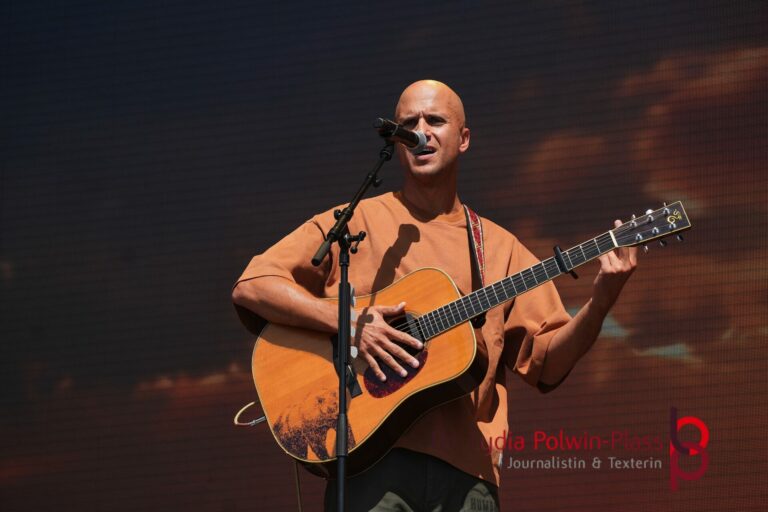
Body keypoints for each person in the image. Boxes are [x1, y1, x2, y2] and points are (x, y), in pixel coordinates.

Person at [232, 80, 637, 511]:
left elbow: (549, 363)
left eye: (435, 120)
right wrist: (348, 320)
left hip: (469, 478)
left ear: (463, 139)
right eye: (409, 123)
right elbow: (253, 285)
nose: (421, 131)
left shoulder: (499, 248)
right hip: (372, 465)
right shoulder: (353, 222)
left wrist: (602, 301)